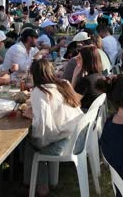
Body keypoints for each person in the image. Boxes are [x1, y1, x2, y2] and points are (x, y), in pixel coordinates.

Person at [22, 59, 84, 197]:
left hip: (65, 144)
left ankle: (40, 188)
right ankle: (31, 181)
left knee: (31, 143)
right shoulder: (63, 84)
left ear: (34, 74)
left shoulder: (40, 91)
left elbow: (44, 127)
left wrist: (32, 118)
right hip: (78, 137)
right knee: (33, 142)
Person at [72, 46, 106, 111]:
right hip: (94, 114)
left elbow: (72, 102)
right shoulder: (100, 76)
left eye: (79, 57)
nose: (76, 59)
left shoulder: (86, 81)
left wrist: (75, 75)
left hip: (83, 115)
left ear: (86, 60)